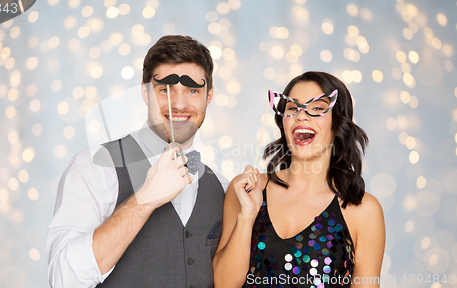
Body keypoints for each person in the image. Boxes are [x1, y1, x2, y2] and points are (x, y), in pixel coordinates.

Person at [47, 35, 229, 288]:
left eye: (193, 90)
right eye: (165, 89)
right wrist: (144, 200)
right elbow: (63, 280)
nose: (179, 103)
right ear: (145, 93)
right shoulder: (97, 165)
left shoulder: (221, 186)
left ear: (208, 97)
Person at [213, 71, 385, 287]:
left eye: (317, 108)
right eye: (292, 108)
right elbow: (223, 284)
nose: (301, 116)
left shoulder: (363, 210)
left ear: (337, 123)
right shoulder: (247, 189)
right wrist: (247, 215)